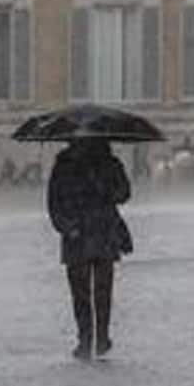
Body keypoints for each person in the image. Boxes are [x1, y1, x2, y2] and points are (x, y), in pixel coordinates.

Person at [47, 138, 133, 360]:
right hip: (89, 232)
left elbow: (123, 194)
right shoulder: (68, 165)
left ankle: (93, 339)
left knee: (89, 292)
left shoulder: (105, 164)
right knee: (91, 292)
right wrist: (67, 227)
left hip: (90, 232)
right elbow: (54, 202)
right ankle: (92, 339)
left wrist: (66, 227)